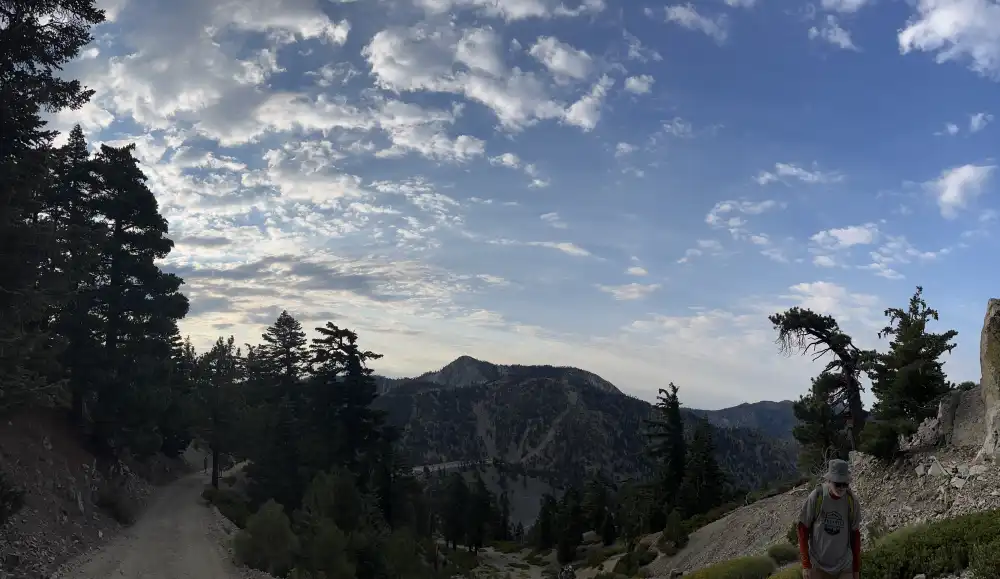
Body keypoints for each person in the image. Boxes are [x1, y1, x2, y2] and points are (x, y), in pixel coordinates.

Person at [796, 459, 862, 579]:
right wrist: (806, 565)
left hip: (844, 565)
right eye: (837, 483)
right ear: (829, 481)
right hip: (818, 565)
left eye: (845, 484)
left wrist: (856, 569)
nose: (842, 488)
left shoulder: (851, 501)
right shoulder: (817, 497)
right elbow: (802, 530)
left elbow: (855, 535)